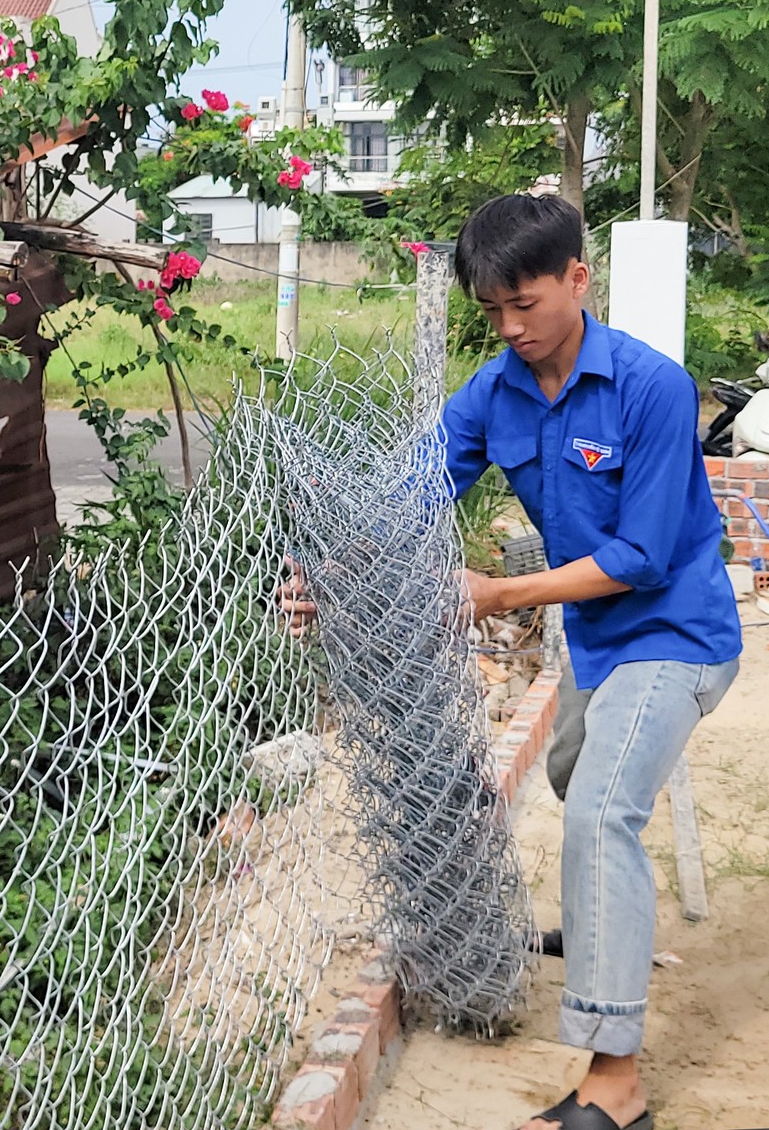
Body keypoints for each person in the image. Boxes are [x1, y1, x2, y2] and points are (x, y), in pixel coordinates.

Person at [285, 193, 739, 1130]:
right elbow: (403, 502)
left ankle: (617, 1085)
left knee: (602, 807)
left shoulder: (652, 388)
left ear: (579, 278)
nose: (511, 326)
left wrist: (492, 593)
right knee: (582, 782)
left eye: (525, 303)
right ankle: (608, 920)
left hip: (677, 632)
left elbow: (641, 559)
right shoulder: (493, 393)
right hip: (599, 644)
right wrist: (329, 574)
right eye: (492, 310)